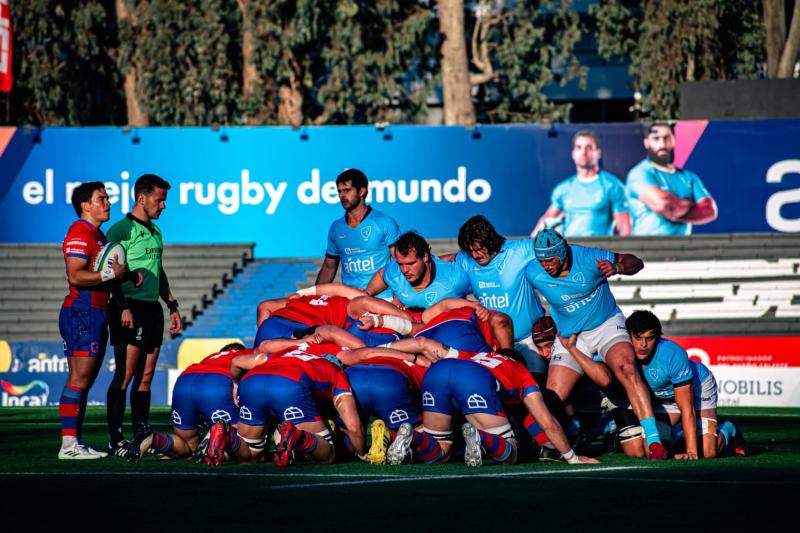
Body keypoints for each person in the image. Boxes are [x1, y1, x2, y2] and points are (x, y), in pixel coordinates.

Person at [526, 228, 668, 460]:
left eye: (550, 259)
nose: (545, 265)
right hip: (570, 336)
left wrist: (618, 268)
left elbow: (636, 262)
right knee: (553, 396)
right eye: (541, 260)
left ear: (562, 254)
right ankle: (567, 434)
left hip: (605, 325)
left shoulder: (588, 257)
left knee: (627, 369)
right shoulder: (532, 271)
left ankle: (654, 442)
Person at [378, 337, 598, 467]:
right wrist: (572, 457)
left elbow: (422, 342)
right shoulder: (521, 371)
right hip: (473, 379)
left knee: (441, 451)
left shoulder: (474, 353)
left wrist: (381, 347)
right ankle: (479, 436)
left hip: (437, 372)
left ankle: (412, 433)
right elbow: (547, 421)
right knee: (510, 453)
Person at [105, 173, 182, 456]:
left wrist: (172, 305)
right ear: (142, 198)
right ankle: (116, 439)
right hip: (130, 309)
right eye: (159, 200)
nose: (163, 206)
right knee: (124, 376)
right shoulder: (120, 231)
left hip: (152, 309)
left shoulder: (156, 232)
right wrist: (123, 305)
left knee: (146, 377)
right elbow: (108, 272)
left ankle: (141, 435)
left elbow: (158, 272)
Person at [57, 182, 130, 459]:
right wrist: (113, 275)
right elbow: (75, 275)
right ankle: (68, 445)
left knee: (84, 381)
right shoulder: (80, 232)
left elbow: (107, 276)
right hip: (82, 312)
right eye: (102, 199)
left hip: (96, 312)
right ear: (85, 205)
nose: (108, 203)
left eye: (108, 198)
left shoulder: (98, 236)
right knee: (79, 378)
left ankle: (76, 441)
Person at [625, 310, 745, 459]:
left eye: (650, 338)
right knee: (655, 451)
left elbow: (687, 407)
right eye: (638, 338)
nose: (643, 344)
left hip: (698, 388)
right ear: (628, 336)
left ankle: (728, 427)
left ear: (657, 336)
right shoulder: (622, 353)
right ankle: (679, 432)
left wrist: (691, 452)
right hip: (663, 399)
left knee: (708, 452)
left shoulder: (672, 354)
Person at [449, 215, 547, 376]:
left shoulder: (520, 250)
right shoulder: (467, 260)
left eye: (478, 249)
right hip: (494, 344)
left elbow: (558, 248)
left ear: (490, 241)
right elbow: (442, 261)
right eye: (470, 250)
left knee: (538, 390)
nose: (475, 255)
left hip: (530, 340)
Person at [125, 342, 252, 464]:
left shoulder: (211, 357)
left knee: (187, 447)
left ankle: (154, 439)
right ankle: (224, 433)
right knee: (250, 451)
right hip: (217, 382)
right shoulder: (249, 355)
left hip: (185, 380)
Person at [315, 168, 400, 298]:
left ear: (362, 191)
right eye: (339, 191)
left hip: (382, 298)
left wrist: (397, 298)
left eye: (347, 190)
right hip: (348, 300)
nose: (342, 196)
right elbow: (328, 268)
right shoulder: (336, 228)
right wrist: (313, 298)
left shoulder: (384, 222)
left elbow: (399, 263)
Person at [532, 130, 631, 237]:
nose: (584, 152)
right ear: (573, 154)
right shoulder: (563, 189)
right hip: (570, 250)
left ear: (598, 153)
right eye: (579, 147)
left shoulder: (613, 186)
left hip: (599, 251)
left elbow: (625, 229)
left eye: (589, 147)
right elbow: (546, 220)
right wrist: (530, 247)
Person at [625, 122, 718, 235]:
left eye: (667, 138)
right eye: (656, 138)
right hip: (646, 249)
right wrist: (692, 205)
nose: (662, 144)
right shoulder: (639, 174)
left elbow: (710, 211)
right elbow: (666, 206)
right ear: (646, 143)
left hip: (682, 250)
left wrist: (674, 211)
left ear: (673, 140)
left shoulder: (689, 177)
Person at [365, 231, 471, 308]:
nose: (404, 270)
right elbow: (382, 275)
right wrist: (368, 293)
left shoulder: (455, 277)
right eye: (400, 264)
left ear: (425, 257)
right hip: (412, 330)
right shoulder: (395, 271)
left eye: (411, 263)